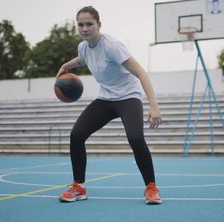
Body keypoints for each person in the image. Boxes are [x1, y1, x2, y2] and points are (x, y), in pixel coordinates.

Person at [56, 6, 163, 205]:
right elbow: (82, 59)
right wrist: (66, 66)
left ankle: (151, 188)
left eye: (89, 24)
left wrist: (153, 106)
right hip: (106, 99)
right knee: (76, 135)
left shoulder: (113, 46)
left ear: (99, 25)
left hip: (128, 98)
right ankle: (78, 187)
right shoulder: (83, 47)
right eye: (81, 24)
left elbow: (141, 73)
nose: (85, 28)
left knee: (135, 137)